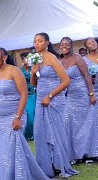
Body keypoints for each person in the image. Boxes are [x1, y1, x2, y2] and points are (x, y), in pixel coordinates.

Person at [0, 47, 48, 179]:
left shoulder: (13, 70)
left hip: (13, 116)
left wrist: (17, 117)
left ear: (4, 57)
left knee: (11, 151)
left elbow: (24, 93)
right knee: (1, 153)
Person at [31, 33, 78, 178]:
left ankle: (60, 164)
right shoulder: (34, 58)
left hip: (53, 99)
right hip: (40, 98)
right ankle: (47, 165)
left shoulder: (52, 58)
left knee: (56, 132)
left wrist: (50, 96)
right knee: (41, 132)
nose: (37, 44)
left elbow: (65, 81)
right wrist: (33, 73)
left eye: (40, 41)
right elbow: (34, 84)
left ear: (47, 42)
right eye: (35, 41)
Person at [60, 37, 98, 163]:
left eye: (67, 44)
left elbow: (87, 76)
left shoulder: (78, 58)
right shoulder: (61, 62)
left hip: (82, 94)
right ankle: (75, 154)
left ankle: (91, 153)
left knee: (88, 123)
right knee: (70, 123)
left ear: (71, 46)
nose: (64, 46)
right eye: (62, 44)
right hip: (70, 97)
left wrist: (91, 94)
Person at [20, 52, 36, 140]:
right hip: (25, 95)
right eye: (24, 59)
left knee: (34, 114)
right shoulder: (20, 71)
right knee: (29, 115)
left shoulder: (33, 68)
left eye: (27, 59)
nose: (26, 60)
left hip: (34, 93)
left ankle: (35, 133)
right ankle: (28, 134)